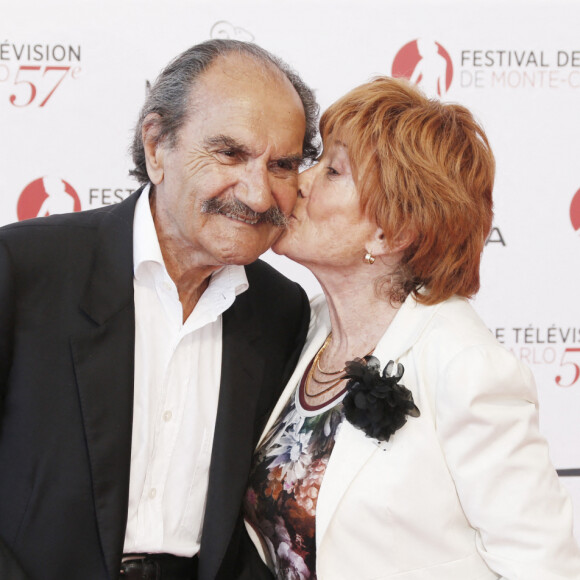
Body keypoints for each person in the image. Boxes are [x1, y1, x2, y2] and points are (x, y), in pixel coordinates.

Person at [0, 39, 320, 580]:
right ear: (156, 147)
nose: (260, 194)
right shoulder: (23, 269)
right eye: (230, 153)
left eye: (283, 165)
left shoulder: (280, 310)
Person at [243, 76, 580, 579]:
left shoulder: (466, 365)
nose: (302, 181)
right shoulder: (305, 326)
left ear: (392, 231)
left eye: (332, 170)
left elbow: (543, 567)